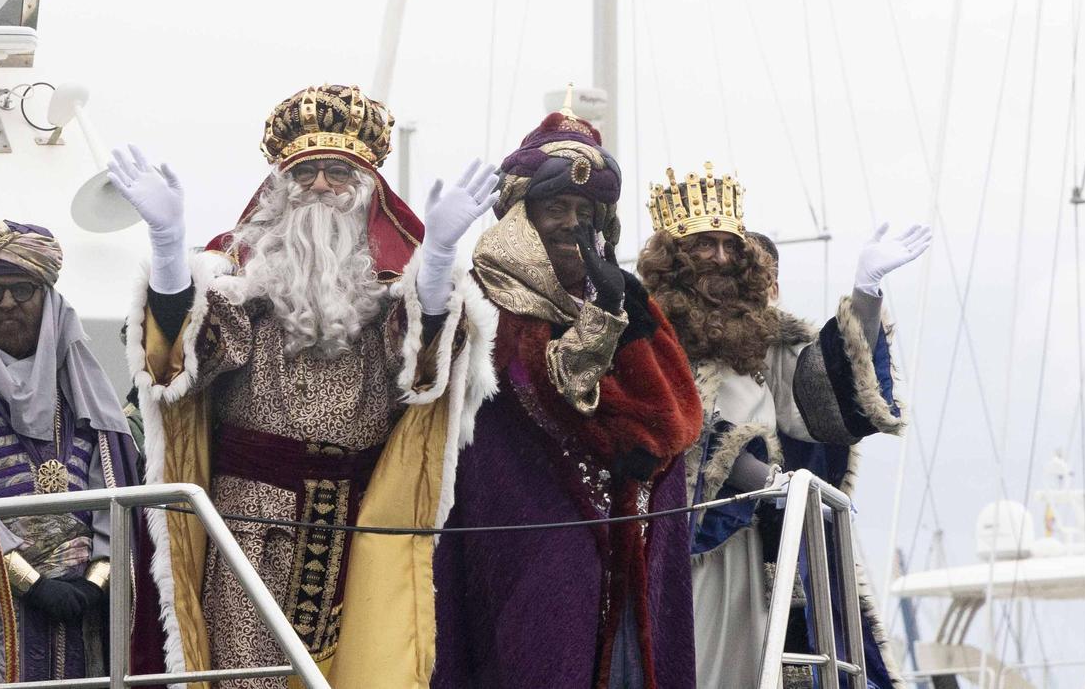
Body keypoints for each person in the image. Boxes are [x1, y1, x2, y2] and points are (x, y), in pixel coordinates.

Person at [114, 84, 495, 686]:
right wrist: (167, 250)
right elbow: (177, 366)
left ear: (366, 190)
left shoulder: (389, 293)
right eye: (305, 172)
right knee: (247, 679)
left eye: (338, 173)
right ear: (281, 189)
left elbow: (426, 375)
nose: (320, 185)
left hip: (358, 521)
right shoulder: (241, 286)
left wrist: (440, 256)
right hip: (249, 522)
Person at [387, 102, 703, 687]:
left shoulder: (624, 297)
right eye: (555, 207)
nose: (569, 223)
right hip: (525, 533)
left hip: (628, 538)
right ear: (521, 215)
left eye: (585, 212)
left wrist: (613, 310)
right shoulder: (486, 299)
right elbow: (457, 376)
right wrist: (436, 260)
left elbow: (674, 415)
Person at [637, 164, 931, 688]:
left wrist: (865, 294)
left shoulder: (762, 336)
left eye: (729, 246)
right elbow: (666, 424)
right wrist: (750, 472)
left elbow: (829, 396)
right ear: (675, 257)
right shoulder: (643, 335)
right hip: (680, 535)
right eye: (705, 245)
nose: (721, 258)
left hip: (763, 534)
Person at [0, 220, 154, 685]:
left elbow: (113, 487)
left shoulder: (83, 385)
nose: (6, 303)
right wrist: (31, 583)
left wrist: (97, 578)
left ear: (48, 298)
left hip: (82, 603)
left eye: (22, 290)